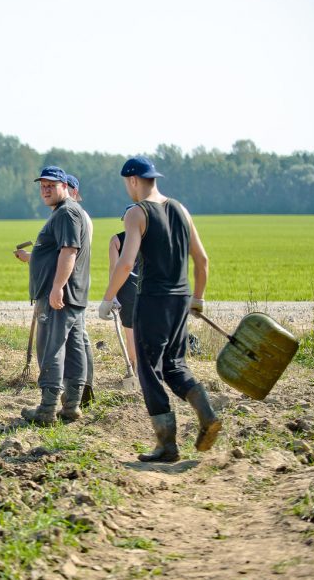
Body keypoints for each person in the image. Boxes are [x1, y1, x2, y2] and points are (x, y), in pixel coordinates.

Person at [99, 157, 218, 462]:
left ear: (133, 180)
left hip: (152, 299)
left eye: (127, 183)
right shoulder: (181, 209)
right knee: (175, 365)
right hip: (180, 298)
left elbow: (126, 262)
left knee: (148, 370)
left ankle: (167, 444)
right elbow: (202, 260)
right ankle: (207, 414)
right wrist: (198, 299)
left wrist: (108, 297)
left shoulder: (137, 213)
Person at [13, 166, 92, 425]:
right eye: (42, 186)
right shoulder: (68, 212)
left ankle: (47, 409)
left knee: (51, 348)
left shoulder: (66, 213)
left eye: (51, 185)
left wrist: (57, 287)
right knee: (73, 348)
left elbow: (68, 251)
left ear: (65, 187)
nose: (46, 190)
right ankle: (71, 406)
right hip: (74, 295)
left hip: (58, 296)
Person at [108, 204, 140, 372]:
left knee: (130, 334)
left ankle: (134, 371)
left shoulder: (116, 240)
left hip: (126, 291)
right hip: (151, 292)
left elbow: (114, 270)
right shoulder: (155, 239)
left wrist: (111, 295)